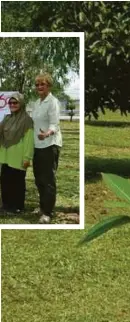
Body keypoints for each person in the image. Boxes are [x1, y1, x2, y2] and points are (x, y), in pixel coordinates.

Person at [32, 73, 63, 224]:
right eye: (37, 84)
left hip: (50, 144)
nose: (39, 87)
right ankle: (42, 207)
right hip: (37, 145)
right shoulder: (37, 103)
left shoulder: (53, 102)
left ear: (49, 86)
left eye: (42, 84)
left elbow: (54, 124)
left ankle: (48, 212)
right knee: (39, 178)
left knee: (48, 178)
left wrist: (47, 134)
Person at [0, 93, 34, 214]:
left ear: (21, 104)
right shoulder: (7, 118)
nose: (12, 105)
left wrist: (27, 158)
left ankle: (18, 206)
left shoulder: (27, 120)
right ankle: (6, 205)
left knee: (17, 183)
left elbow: (29, 140)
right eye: (10, 103)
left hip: (18, 157)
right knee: (5, 181)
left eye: (15, 103)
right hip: (5, 156)